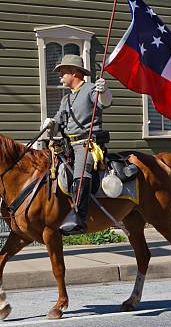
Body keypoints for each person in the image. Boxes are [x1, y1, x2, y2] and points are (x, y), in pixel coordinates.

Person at [41, 54, 113, 235]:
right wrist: (51, 124)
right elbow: (58, 121)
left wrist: (104, 91)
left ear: (74, 73)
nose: (60, 77)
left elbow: (105, 102)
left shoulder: (90, 89)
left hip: (86, 144)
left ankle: (78, 218)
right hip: (67, 144)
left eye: (62, 73)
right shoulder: (66, 99)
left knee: (81, 172)